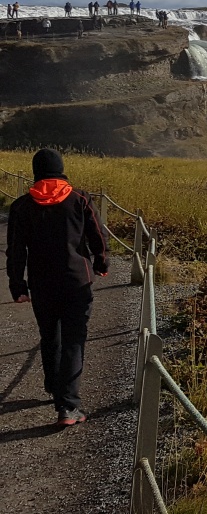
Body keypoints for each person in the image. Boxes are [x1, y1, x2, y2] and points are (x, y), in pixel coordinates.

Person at [6, 149, 109, 427]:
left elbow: (15, 250)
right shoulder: (79, 198)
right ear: (61, 169)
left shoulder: (22, 206)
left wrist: (18, 285)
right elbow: (98, 234)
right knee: (74, 339)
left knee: (50, 335)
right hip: (77, 281)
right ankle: (68, 406)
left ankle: (53, 386)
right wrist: (101, 262)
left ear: (36, 171)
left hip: (42, 284)